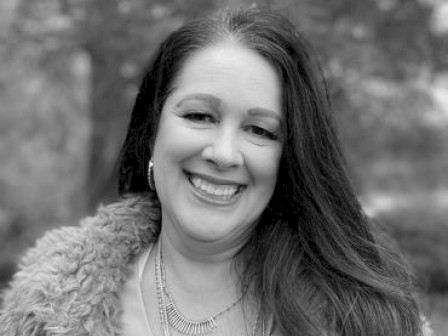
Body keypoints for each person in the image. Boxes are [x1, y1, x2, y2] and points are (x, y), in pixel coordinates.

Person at [0, 6, 431, 336]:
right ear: (153, 129)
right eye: (200, 116)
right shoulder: (44, 308)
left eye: (259, 130)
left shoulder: (362, 314)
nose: (224, 153)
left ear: (291, 156)